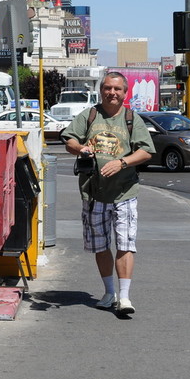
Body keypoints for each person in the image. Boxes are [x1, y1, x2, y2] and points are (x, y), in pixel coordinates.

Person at [61, 72, 154, 315]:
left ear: (125, 93)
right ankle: (109, 292)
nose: (112, 93)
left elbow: (145, 152)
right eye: (108, 88)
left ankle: (124, 298)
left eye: (117, 89)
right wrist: (82, 149)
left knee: (125, 244)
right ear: (101, 90)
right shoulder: (90, 115)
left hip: (125, 193)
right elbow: (69, 140)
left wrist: (122, 163)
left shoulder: (132, 118)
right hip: (93, 193)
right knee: (100, 246)